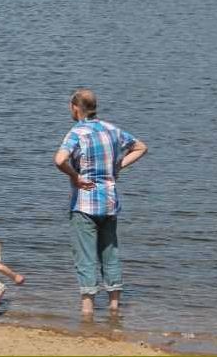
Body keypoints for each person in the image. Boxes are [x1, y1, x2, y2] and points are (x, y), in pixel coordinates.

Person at [53, 88, 148, 317]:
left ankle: (87, 308)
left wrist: (75, 177)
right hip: (109, 202)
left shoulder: (77, 132)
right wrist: (118, 166)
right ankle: (114, 306)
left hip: (84, 203)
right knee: (110, 252)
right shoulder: (111, 129)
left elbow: (59, 160)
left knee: (85, 255)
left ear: (75, 108)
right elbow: (141, 147)